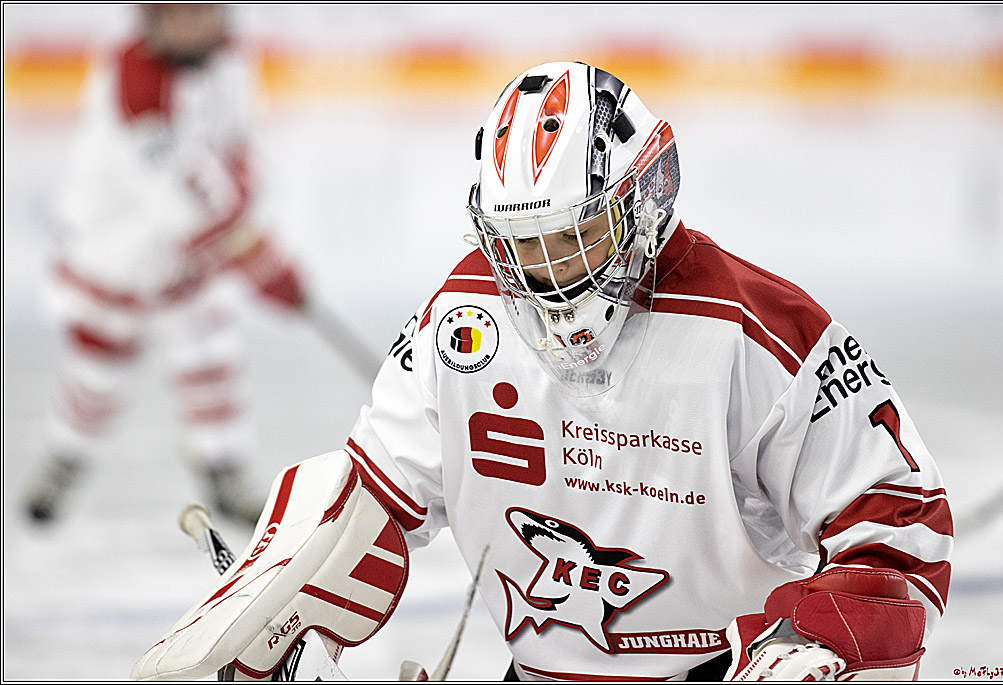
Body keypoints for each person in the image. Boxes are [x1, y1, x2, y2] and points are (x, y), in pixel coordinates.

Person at [132, 61, 952, 681]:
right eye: (520, 249)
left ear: (647, 200)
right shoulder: (462, 320)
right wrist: (284, 614)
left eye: (574, 238)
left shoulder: (762, 331)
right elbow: (369, 508)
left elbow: (900, 542)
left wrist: (806, 644)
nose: (546, 279)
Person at [23, 4, 307, 528]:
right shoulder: (134, 80)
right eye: (179, 14)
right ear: (153, 20)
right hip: (117, 253)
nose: (194, 24)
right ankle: (66, 457)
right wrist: (260, 261)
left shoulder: (228, 64)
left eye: (205, 11)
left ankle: (224, 468)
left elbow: (241, 148)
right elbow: (171, 197)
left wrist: (244, 218)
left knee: (209, 358)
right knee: (98, 369)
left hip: (186, 258)